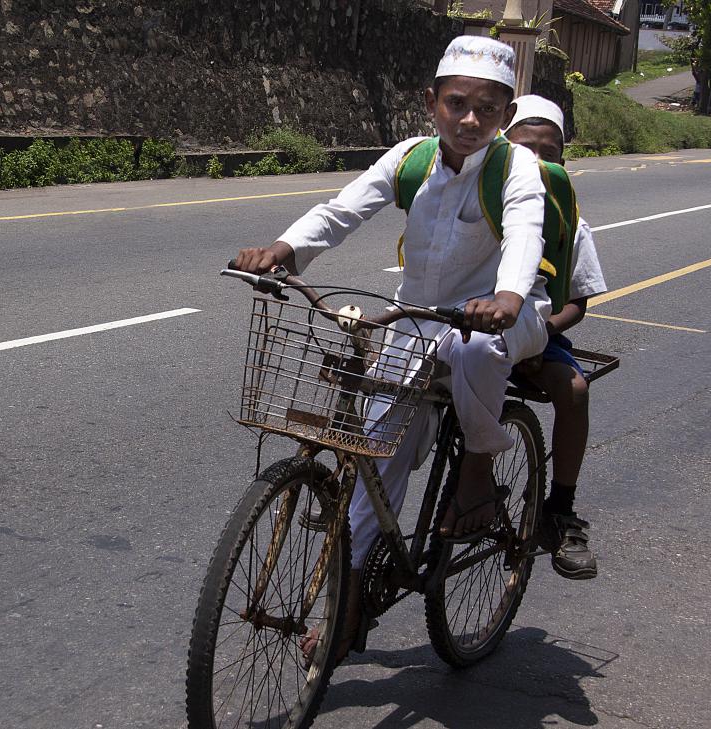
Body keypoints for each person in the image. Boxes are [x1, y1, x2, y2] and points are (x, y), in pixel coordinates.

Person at [235, 35, 551, 661]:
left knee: (474, 353)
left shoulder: (518, 170)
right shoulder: (410, 159)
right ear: (431, 102)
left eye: (487, 109)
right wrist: (285, 249)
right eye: (457, 104)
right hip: (416, 321)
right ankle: (345, 607)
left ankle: (480, 467)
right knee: (374, 458)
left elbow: (523, 233)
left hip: (506, 316)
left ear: (506, 113)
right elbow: (343, 209)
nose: (470, 120)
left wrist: (510, 296)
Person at [503, 95, 607, 580]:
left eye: (550, 152)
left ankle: (559, 510)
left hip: (535, 331)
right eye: (526, 148)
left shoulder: (571, 221)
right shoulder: (480, 203)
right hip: (463, 324)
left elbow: (575, 304)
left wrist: (536, 335)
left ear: (564, 162)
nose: (538, 162)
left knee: (575, 390)